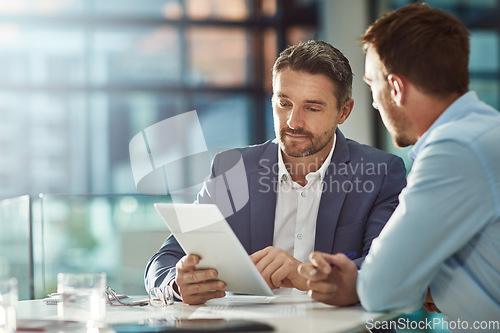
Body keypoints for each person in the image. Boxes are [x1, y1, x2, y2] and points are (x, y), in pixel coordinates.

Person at [145, 40, 407, 305]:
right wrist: (178, 284)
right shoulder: (233, 170)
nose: (293, 121)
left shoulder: (380, 173)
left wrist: (304, 274)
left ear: (343, 111)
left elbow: (389, 269)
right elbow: (164, 260)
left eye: (312, 108)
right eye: (284, 103)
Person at [298, 2, 500, 326]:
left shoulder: (454, 150)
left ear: (395, 87)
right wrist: (421, 286)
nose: (374, 102)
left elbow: (381, 288)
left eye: (371, 85)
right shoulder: (479, 133)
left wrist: (360, 282)